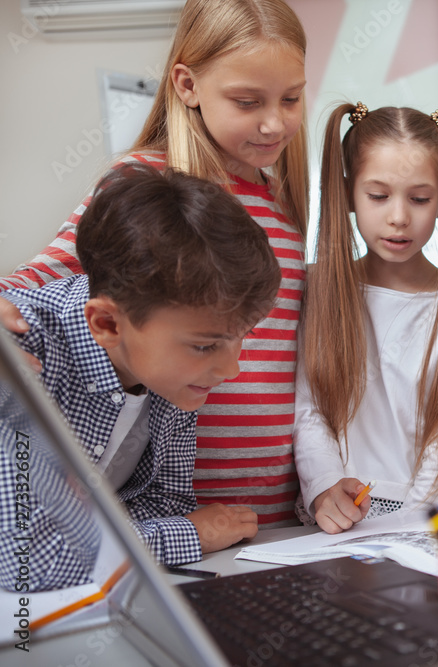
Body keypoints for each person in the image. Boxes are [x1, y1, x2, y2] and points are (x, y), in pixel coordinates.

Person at [0, 0, 309, 526]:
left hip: (271, 497)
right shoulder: (144, 183)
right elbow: (36, 280)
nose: (274, 122)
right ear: (187, 85)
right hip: (169, 494)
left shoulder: (286, 201)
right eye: (247, 101)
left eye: (292, 98)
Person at [1, 164, 281, 591]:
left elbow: (165, 503)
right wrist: (190, 535)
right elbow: (33, 561)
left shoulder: (173, 375)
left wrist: (115, 532)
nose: (231, 369)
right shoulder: (21, 356)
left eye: (241, 338)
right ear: (108, 324)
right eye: (206, 346)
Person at [293, 103, 438, 534]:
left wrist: (409, 525)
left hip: (428, 520)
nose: (399, 217)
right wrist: (325, 486)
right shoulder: (318, 289)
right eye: (378, 195)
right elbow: (309, 409)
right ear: (349, 193)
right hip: (330, 517)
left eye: (419, 198)